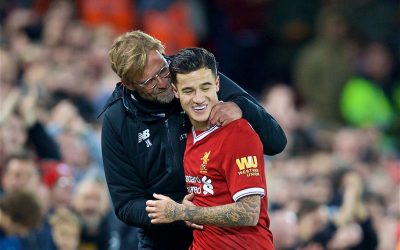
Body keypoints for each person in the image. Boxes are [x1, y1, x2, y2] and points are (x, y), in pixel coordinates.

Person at [101, 30, 286, 249]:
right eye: (149, 81)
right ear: (128, 84)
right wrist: (176, 213)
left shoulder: (191, 75)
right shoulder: (116, 120)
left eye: (163, 70)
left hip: (223, 232)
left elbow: (276, 142)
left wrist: (242, 107)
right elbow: (125, 203)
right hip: (163, 238)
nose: (162, 83)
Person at [145, 47, 274, 250]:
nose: (198, 98)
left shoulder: (238, 134)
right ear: (176, 91)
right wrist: (192, 209)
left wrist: (181, 212)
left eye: (205, 87)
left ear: (217, 84)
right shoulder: (189, 135)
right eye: (188, 90)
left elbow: (249, 212)